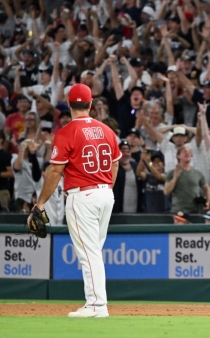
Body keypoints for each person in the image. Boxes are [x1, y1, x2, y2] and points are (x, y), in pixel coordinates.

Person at [32, 84, 121, 318]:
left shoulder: (66, 132)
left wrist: (40, 203)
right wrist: (106, 187)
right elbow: (116, 162)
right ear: (91, 105)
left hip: (83, 196)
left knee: (89, 252)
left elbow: (54, 172)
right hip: (105, 194)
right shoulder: (107, 130)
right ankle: (95, 302)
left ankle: (96, 305)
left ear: (69, 105)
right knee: (94, 250)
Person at [164, 146, 210, 214]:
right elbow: (166, 191)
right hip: (178, 210)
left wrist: (208, 202)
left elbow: (207, 188)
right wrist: (175, 177)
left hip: (195, 211)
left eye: (189, 152)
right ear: (178, 156)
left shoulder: (198, 173)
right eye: (184, 151)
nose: (187, 153)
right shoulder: (172, 173)